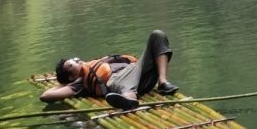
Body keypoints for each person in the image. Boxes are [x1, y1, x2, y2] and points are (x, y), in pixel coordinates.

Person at [40, 29, 179, 109]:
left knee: (157, 35)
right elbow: (45, 96)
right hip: (119, 82)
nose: (78, 60)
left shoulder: (96, 64)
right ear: (71, 76)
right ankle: (129, 98)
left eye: (75, 59)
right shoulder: (79, 83)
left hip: (140, 72)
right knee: (121, 80)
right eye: (72, 64)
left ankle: (162, 82)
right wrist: (64, 83)